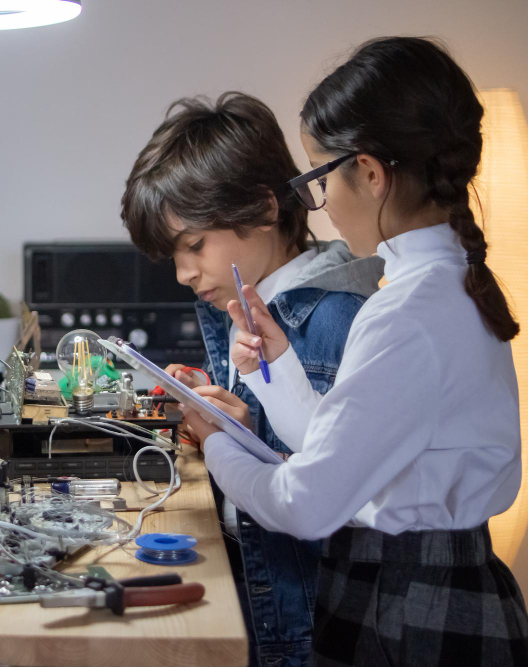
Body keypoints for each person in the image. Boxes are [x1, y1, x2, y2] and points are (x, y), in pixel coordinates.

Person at [186, 37, 528, 665]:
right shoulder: (441, 288)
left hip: (408, 605)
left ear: (369, 173)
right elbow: (342, 450)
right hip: (430, 592)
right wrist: (275, 366)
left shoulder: (408, 312)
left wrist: (214, 444)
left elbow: (307, 503)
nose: (319, 204)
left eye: (318, 178)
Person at [121, 92, 383, 667]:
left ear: (266, 208)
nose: (186, 273)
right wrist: (223, 416)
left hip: (305, 624)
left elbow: (345, 506)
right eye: (174, 256)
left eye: (194, 245)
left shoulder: (331, 318)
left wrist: (244, 444)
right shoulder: (252, 307)